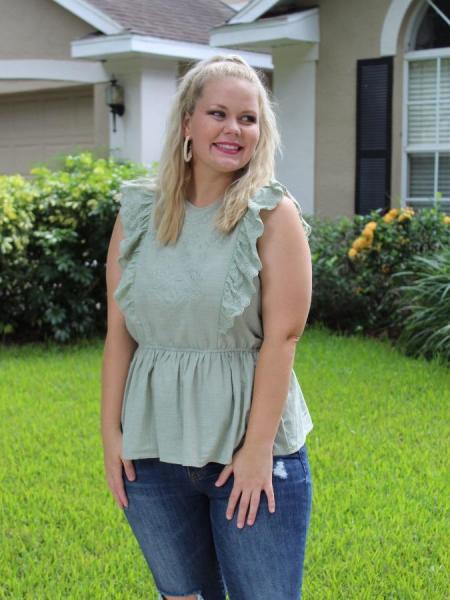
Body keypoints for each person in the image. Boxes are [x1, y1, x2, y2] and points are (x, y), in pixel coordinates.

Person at [101, 54, 314, 600]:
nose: (233, 129)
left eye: (248, 118)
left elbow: (283, 337)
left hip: (246, 446)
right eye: (218, 113)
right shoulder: (139, 212)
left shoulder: (272, 214)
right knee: (182, 596)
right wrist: (111, 435)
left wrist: (257, 449)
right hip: (151, 446)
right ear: (188, 123)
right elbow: (120, 332)